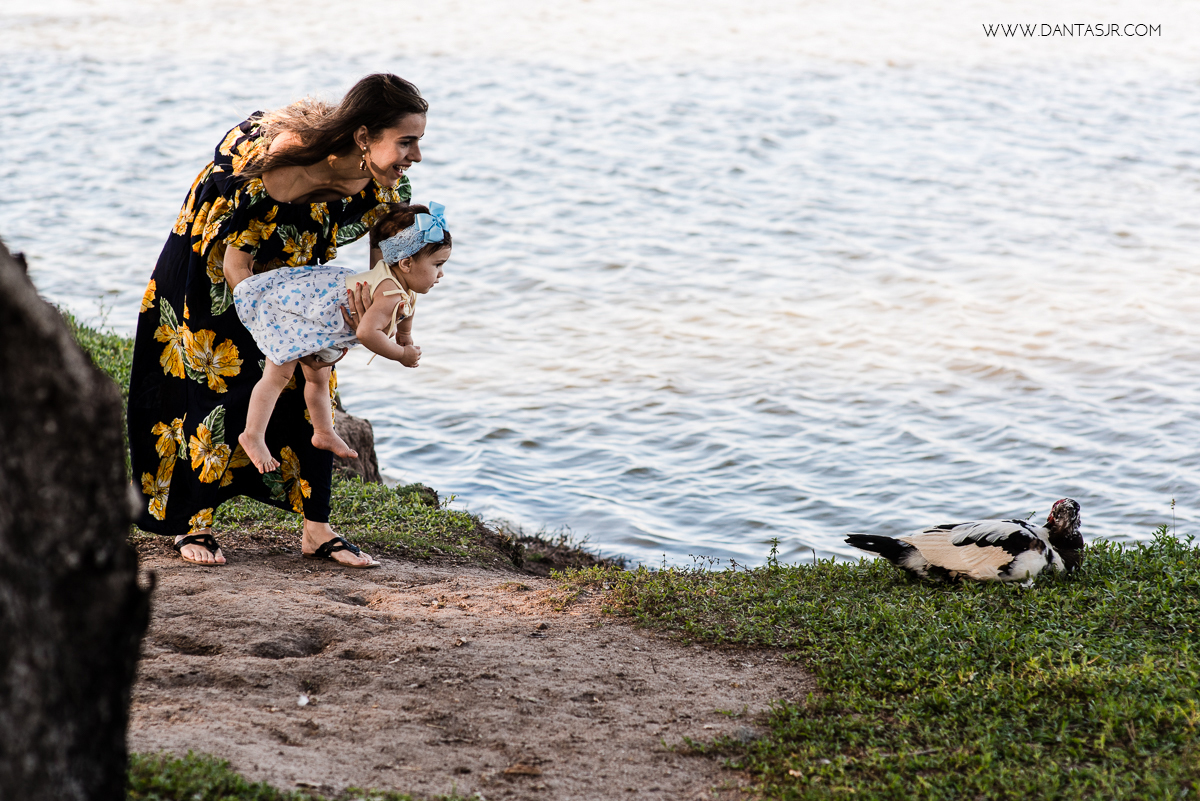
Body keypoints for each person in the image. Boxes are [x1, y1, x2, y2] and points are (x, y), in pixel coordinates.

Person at [127, 73, 427, 568]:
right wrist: (259, 313)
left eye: (418, 142)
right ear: (362, 137)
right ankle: (193, 522)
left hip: (295, 269)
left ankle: (317, 529)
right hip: (219, 262)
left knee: (310, 376)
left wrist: (370, 302)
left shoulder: (383, 184)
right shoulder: (275, 169)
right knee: (211, 378)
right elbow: (233, 259)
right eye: (406, 142)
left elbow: (386, 258)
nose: (415, 156)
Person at [232, 203, 451, 476]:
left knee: (318, 377)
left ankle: (323, 431)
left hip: (321, 320)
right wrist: (399, 354)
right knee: (278, 375)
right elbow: (366, 333)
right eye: (438, 265)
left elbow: (408, 310)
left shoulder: (402, 286)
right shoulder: (390, 294)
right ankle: (252, 434)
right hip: (298, 312)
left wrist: (405, 335)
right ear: (406, 263)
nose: (441, 274)